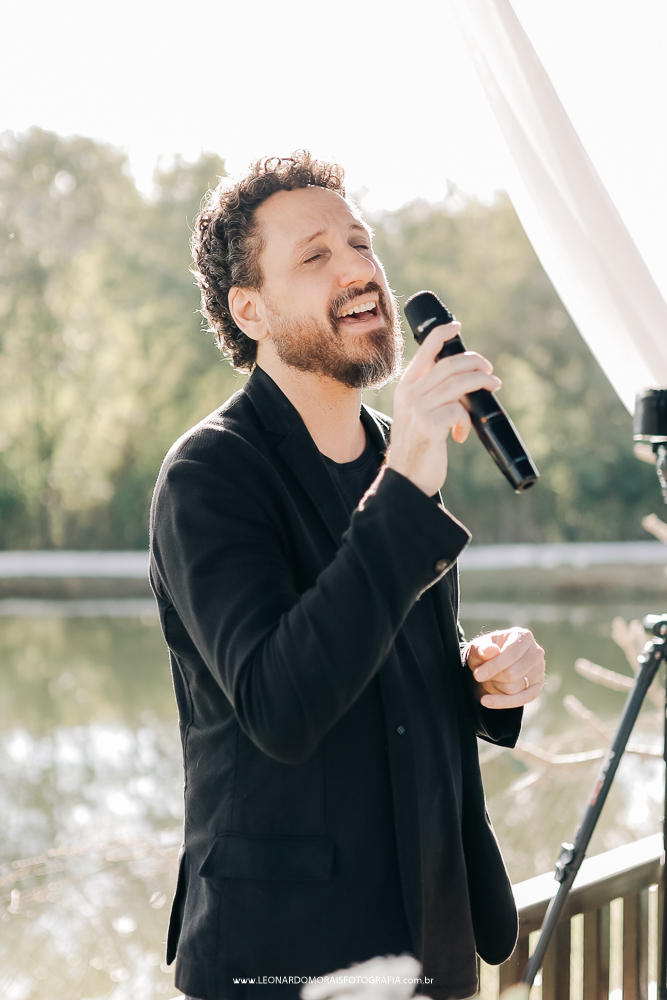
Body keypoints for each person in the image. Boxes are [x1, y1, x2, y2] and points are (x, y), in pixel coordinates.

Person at [149, 152, 546, 1000]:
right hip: (287, 961)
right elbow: (282, 706)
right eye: (315, 254)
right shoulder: (209, 476)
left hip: (430, 943)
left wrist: (480, 676)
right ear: (249, 310)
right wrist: (405, 483)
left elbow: (376, 665)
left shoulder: (393, 453)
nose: (359, 266)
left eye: (360, 242)